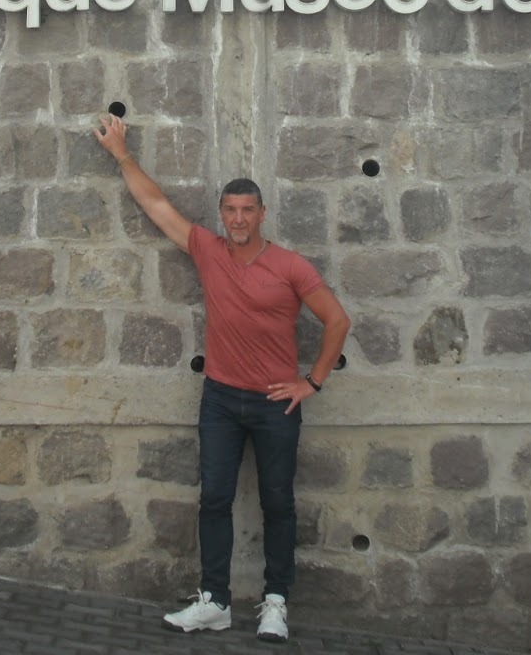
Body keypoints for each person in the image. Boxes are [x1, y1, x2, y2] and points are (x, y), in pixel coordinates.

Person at [92, 113, 351, 644]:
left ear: (261, 214)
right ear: (222, 214)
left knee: (278, 503)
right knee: (214, 498)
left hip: (276, 404)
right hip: (220, 400)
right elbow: (156, 205)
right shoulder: (209, 251)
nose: (238, 219)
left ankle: (275, 603)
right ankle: (215, 601)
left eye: (246, 211)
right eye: (230, 210)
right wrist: (121, 153)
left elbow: (338, 320)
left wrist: (312, 383)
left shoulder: (290, 267)